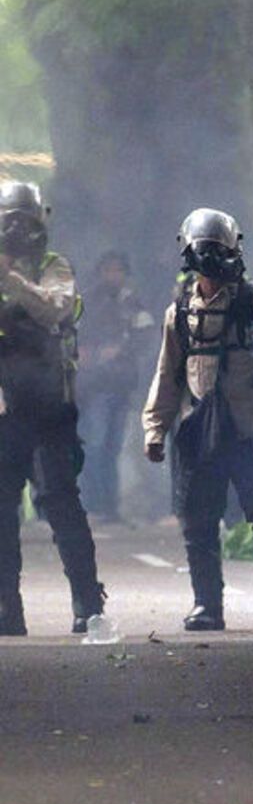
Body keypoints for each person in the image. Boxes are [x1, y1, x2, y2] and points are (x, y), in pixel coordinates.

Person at [142, 208, 253, 632]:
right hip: (200, 431)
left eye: (218, 250)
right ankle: (207, 605)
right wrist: (155, 429)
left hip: (251, 429)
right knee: (199, 520)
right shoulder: (179, 311)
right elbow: (168, 374)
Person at [0, 182, 108, 636]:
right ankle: (7, 608)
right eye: (10, 222)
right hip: (5, 409)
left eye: (25, 221)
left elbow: (56, 310)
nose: (18, 230)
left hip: (48, 407)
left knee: (60, 504)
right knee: (3, 510)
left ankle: (87, 602)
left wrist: (11, 279)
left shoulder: (54, 267)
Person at [77, 250, 154, 522]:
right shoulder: (87, 301)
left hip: (121, 386)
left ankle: (109, 508)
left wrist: (120, 349)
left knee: (112, 448)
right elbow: (73, 335)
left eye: (118, 271)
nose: (113, 276)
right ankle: (93, 505)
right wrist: (89, 353)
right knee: (94, 444)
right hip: (94, 387)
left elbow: (145, 336)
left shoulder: (132, 304)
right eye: (108, 270)